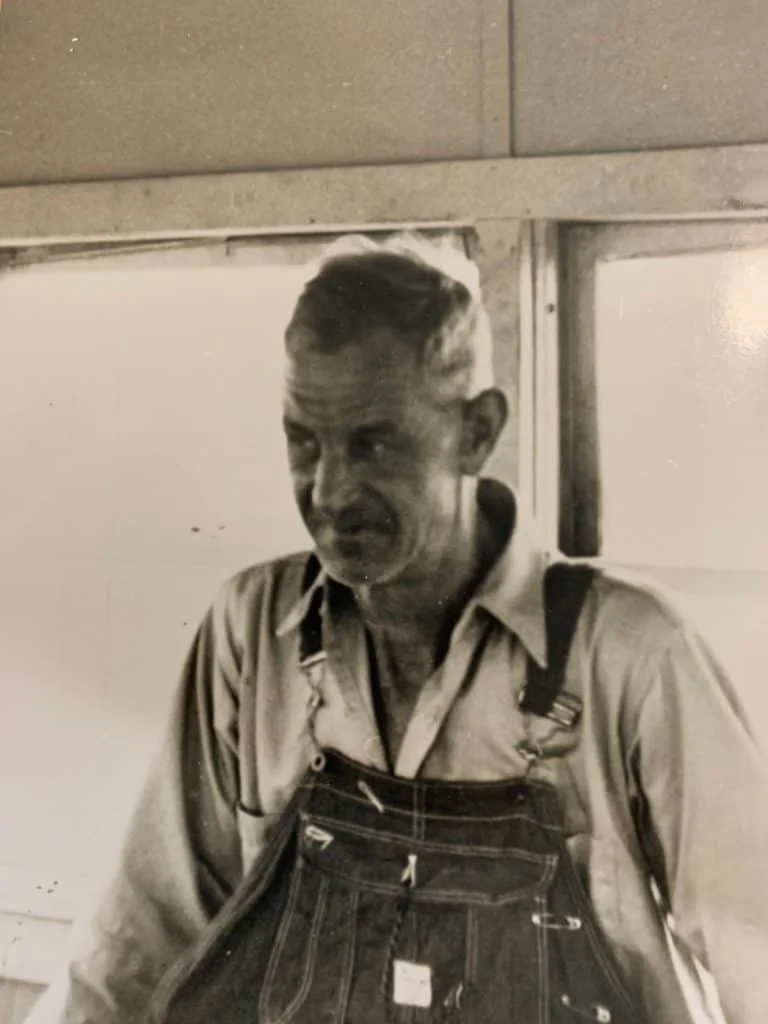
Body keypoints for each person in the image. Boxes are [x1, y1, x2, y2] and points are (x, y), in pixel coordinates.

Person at [28, 235, 768, 1024]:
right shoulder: (251, 635)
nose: (331, 491)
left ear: (477, 432)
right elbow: (136, 942)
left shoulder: (633, 656)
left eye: (373, 444)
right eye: (303, 442)